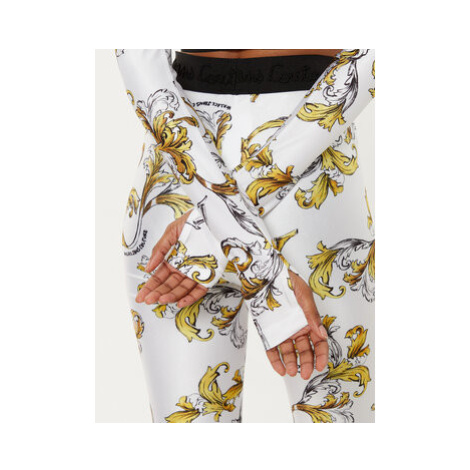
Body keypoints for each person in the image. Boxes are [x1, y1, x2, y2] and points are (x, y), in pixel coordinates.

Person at [116, 49, 375, 423]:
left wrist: (214, 223)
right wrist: (255, 258)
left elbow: (136, 54)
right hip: (308, 182)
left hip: (178, 183)